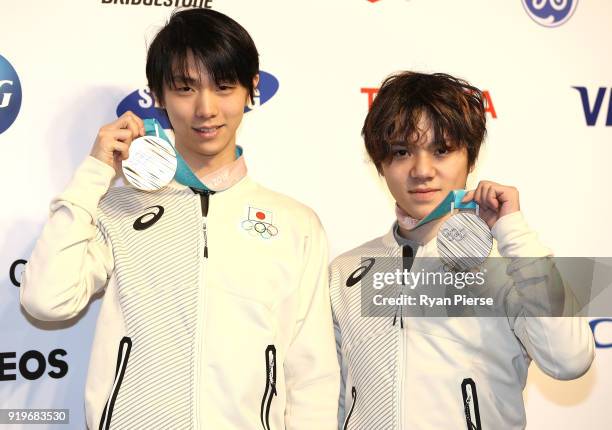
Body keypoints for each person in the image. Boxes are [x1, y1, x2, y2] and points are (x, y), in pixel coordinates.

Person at [21, 8, 339, 430]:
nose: (206, 109)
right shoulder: (118, 210)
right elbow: (46, 301)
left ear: (251, 90)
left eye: (224, 86)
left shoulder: (296, 224)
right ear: (158, 95)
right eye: (186, 88)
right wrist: (95, 172)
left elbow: (311, 376)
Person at [329, 71, 595, 429]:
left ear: (470, 159)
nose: (422, 171)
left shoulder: (508, 264)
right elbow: (335, 399)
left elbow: (570, 360)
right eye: (402, 152)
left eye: (442, 150)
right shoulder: (345, 271)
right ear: (380, 163)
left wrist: (512, 231)